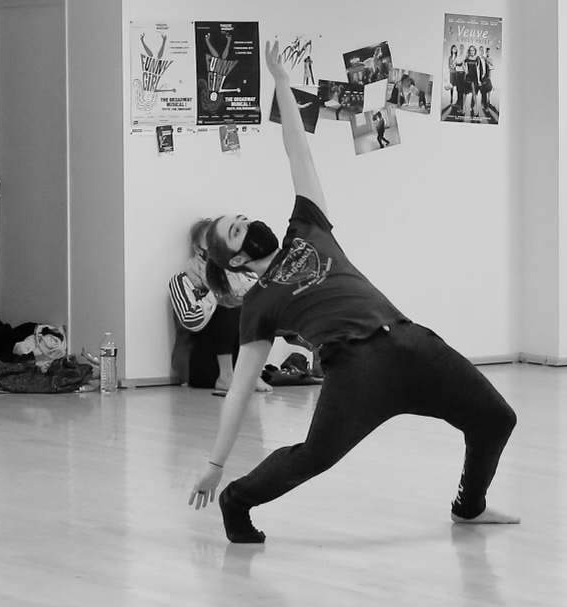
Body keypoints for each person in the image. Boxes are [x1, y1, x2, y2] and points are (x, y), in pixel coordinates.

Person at [188, 40, 519, 543]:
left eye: (244, 218)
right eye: (238, 232)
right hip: (355, 369)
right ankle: (237, 500)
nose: (250, 225)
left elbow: (298, 151)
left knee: (496, 418)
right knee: (313, 457)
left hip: (409, 341)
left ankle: (469, 508)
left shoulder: (307, 226)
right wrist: (215, 464)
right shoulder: (258, 305)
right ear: (235, 260)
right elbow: (238, 391)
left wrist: (282, 84)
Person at [168, 219, 272, 392]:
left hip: (238, 361)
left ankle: (253, 374)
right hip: (198, 362)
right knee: (226, 304)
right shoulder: (182, 280)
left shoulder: (240, 274)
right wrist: (217, 291)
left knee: (256, 308)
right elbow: (190, 320)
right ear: (198, 249)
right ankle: (226, 376)